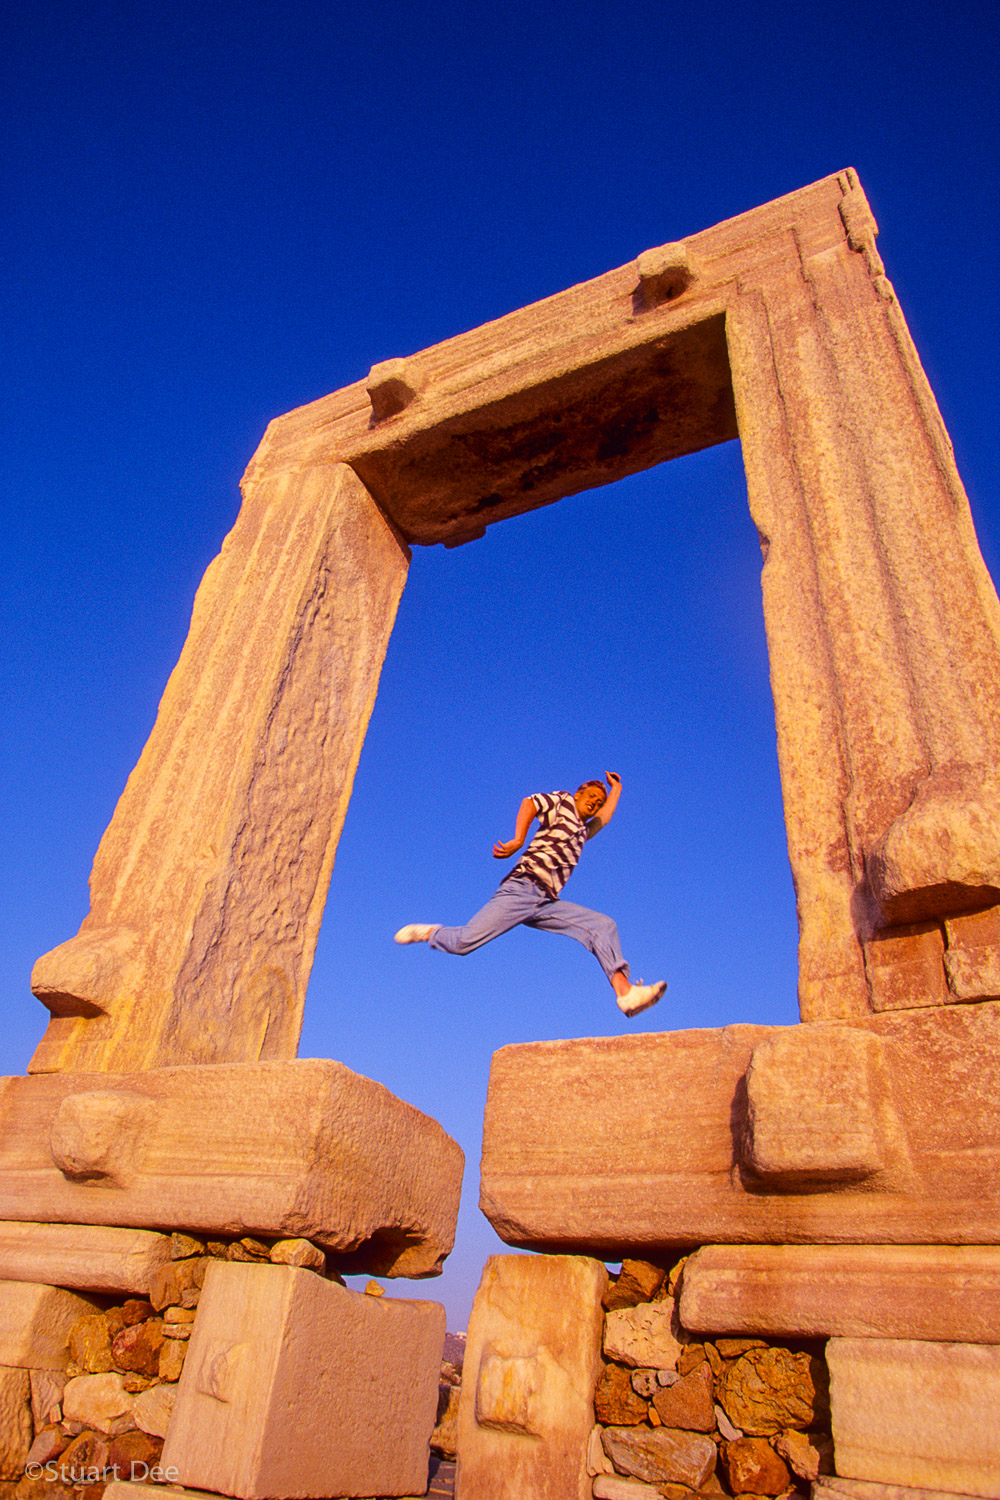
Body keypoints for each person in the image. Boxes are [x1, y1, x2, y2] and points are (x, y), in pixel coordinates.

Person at [394, 772, 666, 1017]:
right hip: (522, 888)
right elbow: (530, 802)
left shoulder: (583, 831)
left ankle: (626, 993)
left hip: (547, 902)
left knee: (603, 926)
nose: (595, 803)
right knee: (464, 943)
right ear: (578, 793)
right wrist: (518, 839)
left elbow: (603, 819)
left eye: (599, 801)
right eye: (592, 796)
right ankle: (432, 933)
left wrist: (616, 789)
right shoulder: (562, 802)